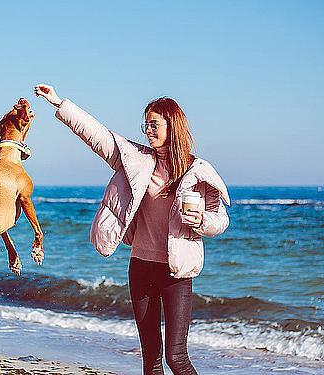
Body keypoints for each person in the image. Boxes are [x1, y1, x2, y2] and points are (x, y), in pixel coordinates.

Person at [34, 84, 230, 375]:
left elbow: (220, 219)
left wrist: (201, 221)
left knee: (176, 357)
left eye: (154, 124)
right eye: (145, 124)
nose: (148, 131)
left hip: (176, 274)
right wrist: (58, 103)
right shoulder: (135, 160)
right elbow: (97, 135)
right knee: (150, 358)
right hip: (140, 267)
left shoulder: (197, 170)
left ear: (172, 126)